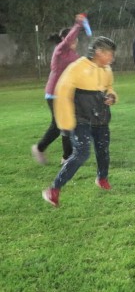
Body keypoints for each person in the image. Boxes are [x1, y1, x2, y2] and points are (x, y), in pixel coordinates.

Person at [41, 37, 117, 207]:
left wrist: (111, 96)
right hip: (80, 119)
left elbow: (109, 87)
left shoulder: (107, 69)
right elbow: (62, 93)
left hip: (101, 117)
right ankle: (53, 190)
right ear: (99, 52)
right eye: (110, 54)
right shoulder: (77, 68)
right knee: (82, 153)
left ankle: (102, 178)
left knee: (103, 150)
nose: (112, 58)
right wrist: (67, 122)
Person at [31, 14, 87, 165]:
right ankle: (41, 149)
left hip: (65, 94)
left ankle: (66, 156)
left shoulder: (73, 54)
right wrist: (78, 24)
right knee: (59, 125)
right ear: (65, 39)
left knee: (66, 123)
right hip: (54, 94)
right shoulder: (60, 49)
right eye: (73, 39)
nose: (75, 41)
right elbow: (69, 40)